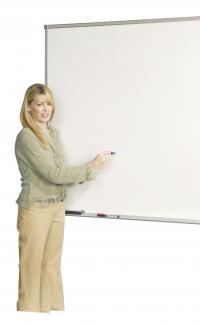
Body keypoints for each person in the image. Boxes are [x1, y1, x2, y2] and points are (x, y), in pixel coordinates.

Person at [14, 83, 111, 312]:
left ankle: (49, 312)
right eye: (39, 104)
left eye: (48, 104)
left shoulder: (53, 134)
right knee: (31, 266)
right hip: (36, 209)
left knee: (51, 265)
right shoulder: (26, 137)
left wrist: (80, 176)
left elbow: (60, 168)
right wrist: (90, 168)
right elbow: (53, 173)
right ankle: (28, 313)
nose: (45, 109)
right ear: (29, 108)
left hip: (57, 207)